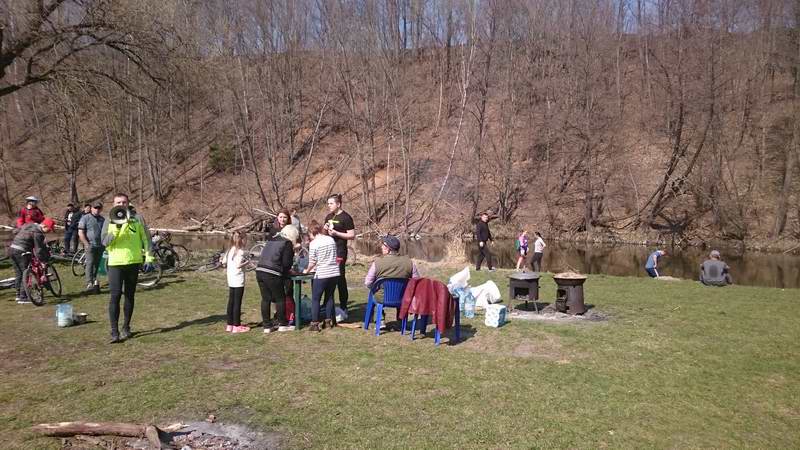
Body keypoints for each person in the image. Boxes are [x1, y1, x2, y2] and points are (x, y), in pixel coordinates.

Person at [101, 193, 154, 343]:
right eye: (118, 202)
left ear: (128, 203)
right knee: (115, 296)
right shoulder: (108, 220)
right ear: (113, 204)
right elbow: (104, 242)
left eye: (124, 202)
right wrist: (117, 227)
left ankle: (126, 327)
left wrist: (149, 258)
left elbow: (146, 239)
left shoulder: (137, 218)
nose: (121, 204)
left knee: (129, 296)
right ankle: (114, 331)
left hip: (133, 262)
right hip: (115, 263)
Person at [256, 224, 298, 333]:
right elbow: (286, 263)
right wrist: (288, 272)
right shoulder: (287, 243)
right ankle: (283, 324)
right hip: (272, 272)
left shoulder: (272, 239)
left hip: (260, 270)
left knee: (266, 299)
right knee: (280, 298)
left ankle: (267, 326)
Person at [303, 221, 340, 332]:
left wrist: (306, 270)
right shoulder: (331, 239)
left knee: (316, 299)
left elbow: (312, 262)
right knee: (329, 297)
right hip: (334, 272)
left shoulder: (314, 243)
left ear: (311, 232)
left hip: (322, 273)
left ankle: (315, 324)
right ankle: (328, 322)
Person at [8, 218, 55, 304]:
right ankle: (23, 297)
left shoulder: (30, 225)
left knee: (18, 273)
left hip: (12, 249)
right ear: (44, 226)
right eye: (49, 229)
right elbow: (39, 250)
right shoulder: (38, 233)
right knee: (25, 273)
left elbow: (16, 231)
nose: (49, 231)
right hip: (22, 250)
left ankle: (18, 295)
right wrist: (43, 261)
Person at [323, 194, 355, 315]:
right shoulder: (328, 216)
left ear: (338, 204)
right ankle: (326, 304)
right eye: (328, 203)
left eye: (331, 203)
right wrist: (325, 229)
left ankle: (343, 305)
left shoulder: (346, 217)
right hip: (328, 251)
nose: (329, 206)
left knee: (339, 278)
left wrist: (336, 233)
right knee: (327, 278)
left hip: (340, 251)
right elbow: (324, 234)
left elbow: (351, 235)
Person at [221, 231, 250, 333]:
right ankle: (237, 325)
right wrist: (247, 262)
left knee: (231, 301)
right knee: (237, 302)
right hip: (238, 279)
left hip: (231, 278)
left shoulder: (230, 250)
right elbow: (238, 265)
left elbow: (223, 262)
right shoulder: (240, 251)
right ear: (242, 240)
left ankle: (230, 324)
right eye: (246, 239)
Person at [78, 202, 105, 294]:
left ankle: (94, 280)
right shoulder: (85, 218)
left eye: (98, 208)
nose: (97, 210)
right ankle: (89, 283)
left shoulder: (102, 219)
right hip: (90, 245)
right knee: (90, 263)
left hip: (100, 245)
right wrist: (86, 243)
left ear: (101, 209)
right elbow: (80, 232)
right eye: (95, 208)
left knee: (97, 264)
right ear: (91, 208)